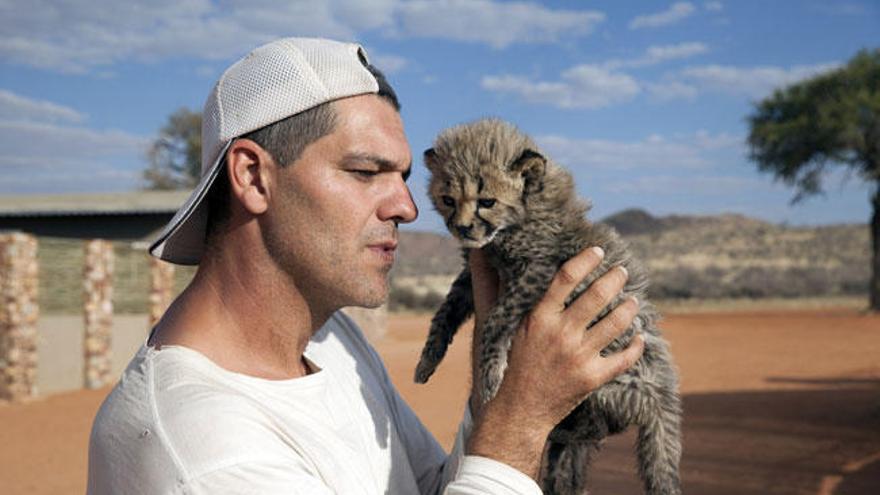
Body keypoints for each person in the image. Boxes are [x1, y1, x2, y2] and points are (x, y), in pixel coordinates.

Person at [86, 37, 644, 494]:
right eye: (364, 171)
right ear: (254, 177)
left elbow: (430, 487)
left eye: (403, 176)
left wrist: (497, 383)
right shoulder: (204, 450)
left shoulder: (332, 342)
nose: (406, 207)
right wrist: (520, 423)